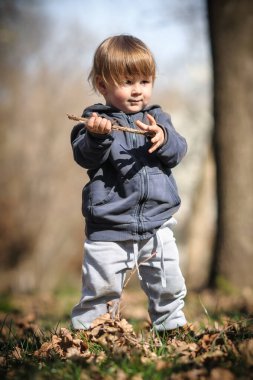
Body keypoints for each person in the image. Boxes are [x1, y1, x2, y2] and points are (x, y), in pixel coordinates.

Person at [70, 34, 188, 333]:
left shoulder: (157, 118)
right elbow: (84, 156)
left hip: (157, 223)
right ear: (103, 85)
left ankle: (170, 327)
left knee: (168, 283)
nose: (137, 91)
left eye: (144, 81)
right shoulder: (94, 121)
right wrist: (98, 136)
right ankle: (91, 333)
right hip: (110, 225)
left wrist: (163, 137)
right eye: (127, 82)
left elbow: (177, 151)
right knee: (101, 288)